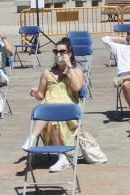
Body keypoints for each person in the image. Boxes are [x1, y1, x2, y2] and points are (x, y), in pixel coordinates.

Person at [23, 38, 86, 172]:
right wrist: (35, 93)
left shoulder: (77, 71)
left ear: (69, 54)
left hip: (68, 110)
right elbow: (41, 95)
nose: (58, 54)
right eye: (55, 51)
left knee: (50, 110)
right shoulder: (47, 72)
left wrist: (69, 68)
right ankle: (60, 156)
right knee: (49, 111)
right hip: (49, 110)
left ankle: (33, 137)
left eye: (62, 51)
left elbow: (76, 87)